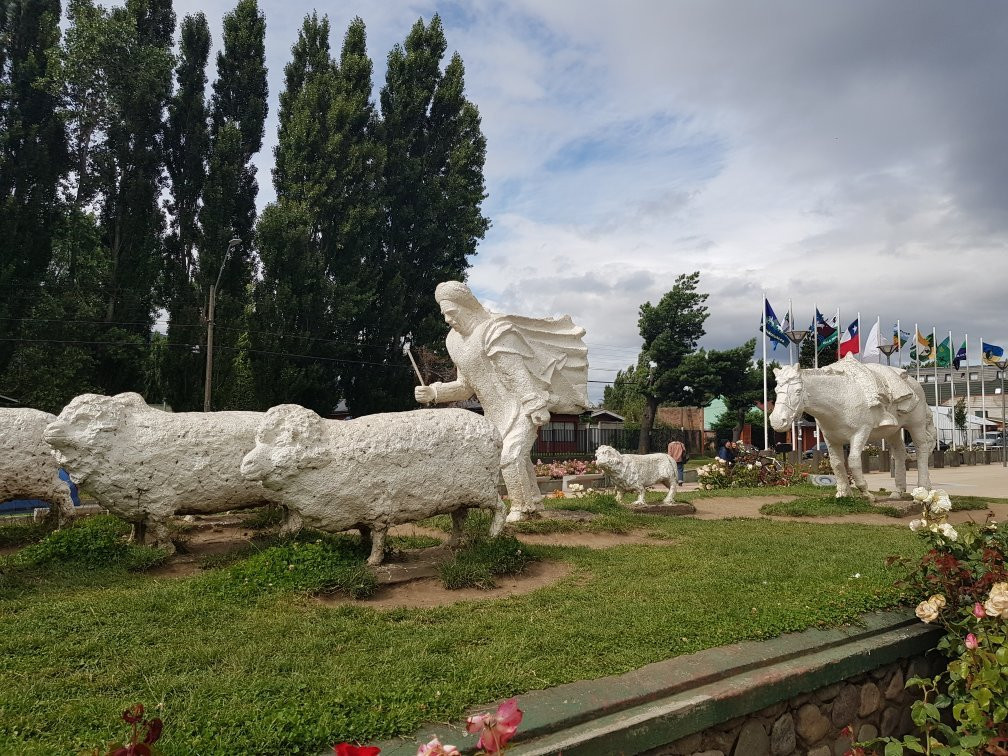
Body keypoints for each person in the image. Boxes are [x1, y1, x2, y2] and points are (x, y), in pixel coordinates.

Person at [414, 281, 588, 522]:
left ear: (466, 307)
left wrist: (534, 404)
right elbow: (465, 388)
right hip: (494, 413)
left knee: (510, 456)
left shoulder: (495, 331)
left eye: (451, 313)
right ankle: (534, 503)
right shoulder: (453, 342)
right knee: (518, 458)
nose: (447, 319)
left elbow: (517, 373)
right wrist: (434, 393)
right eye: (444, 314)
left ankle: (521, 509)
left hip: (520, 406)